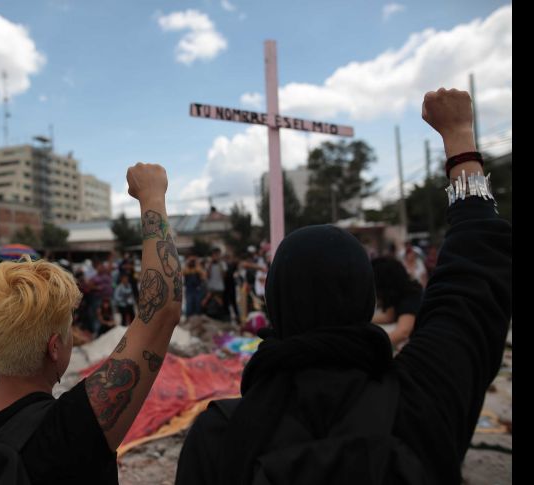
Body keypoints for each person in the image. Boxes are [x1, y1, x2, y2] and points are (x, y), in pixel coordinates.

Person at [175, 89, 511, 485]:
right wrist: (459, 139)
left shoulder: (219, 435)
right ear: (365, 297)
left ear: (274, 304)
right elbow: (473, 279)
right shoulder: (425, 397)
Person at [0, 162, 182, 484]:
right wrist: (152, 196)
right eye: (68, 329)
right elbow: (161, 313)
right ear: (54, 347)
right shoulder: (70, 428)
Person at [371, 257, 424, 351]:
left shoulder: (411, 296)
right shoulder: (398, 295)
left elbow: (403, 333)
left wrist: (368, 347)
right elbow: (388, 316)